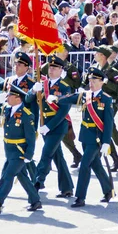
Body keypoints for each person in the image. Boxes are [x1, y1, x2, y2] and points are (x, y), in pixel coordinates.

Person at [61, 67, 114, 208]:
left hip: (96, 139)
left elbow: (109, 123)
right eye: (90, 80)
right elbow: (69, 98)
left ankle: (80, 197)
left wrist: (106, 142)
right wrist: (55, 99)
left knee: (84, 166)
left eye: (94, 80)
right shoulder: (85, 95)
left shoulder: (107, 100)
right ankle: (108, 190)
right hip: (85, 136)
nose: (91, 83)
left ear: (102, 82)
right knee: (95, 165)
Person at [0, 84, 42, 214]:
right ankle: (35, 200)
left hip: (20, 152)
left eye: (10, 95)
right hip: (9, 150)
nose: (8, 97)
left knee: (8, 176)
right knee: (22, 176)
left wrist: (29, 154)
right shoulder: (7, 109)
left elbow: (31, 137)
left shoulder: (26, 115)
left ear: (18, 99)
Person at [29, 55, 74, 198]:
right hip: (44, 125)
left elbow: (63, 111)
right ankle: (67, 187)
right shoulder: (42, 85)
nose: (52, 70)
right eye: (50, 67)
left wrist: (49, 126)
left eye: (55, 68)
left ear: (61, 70)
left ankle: (36, 182)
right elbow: (30, 101)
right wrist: (32, 91)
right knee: (57, 156)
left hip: (58, 126)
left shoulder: (64, 87)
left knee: (46, 154)